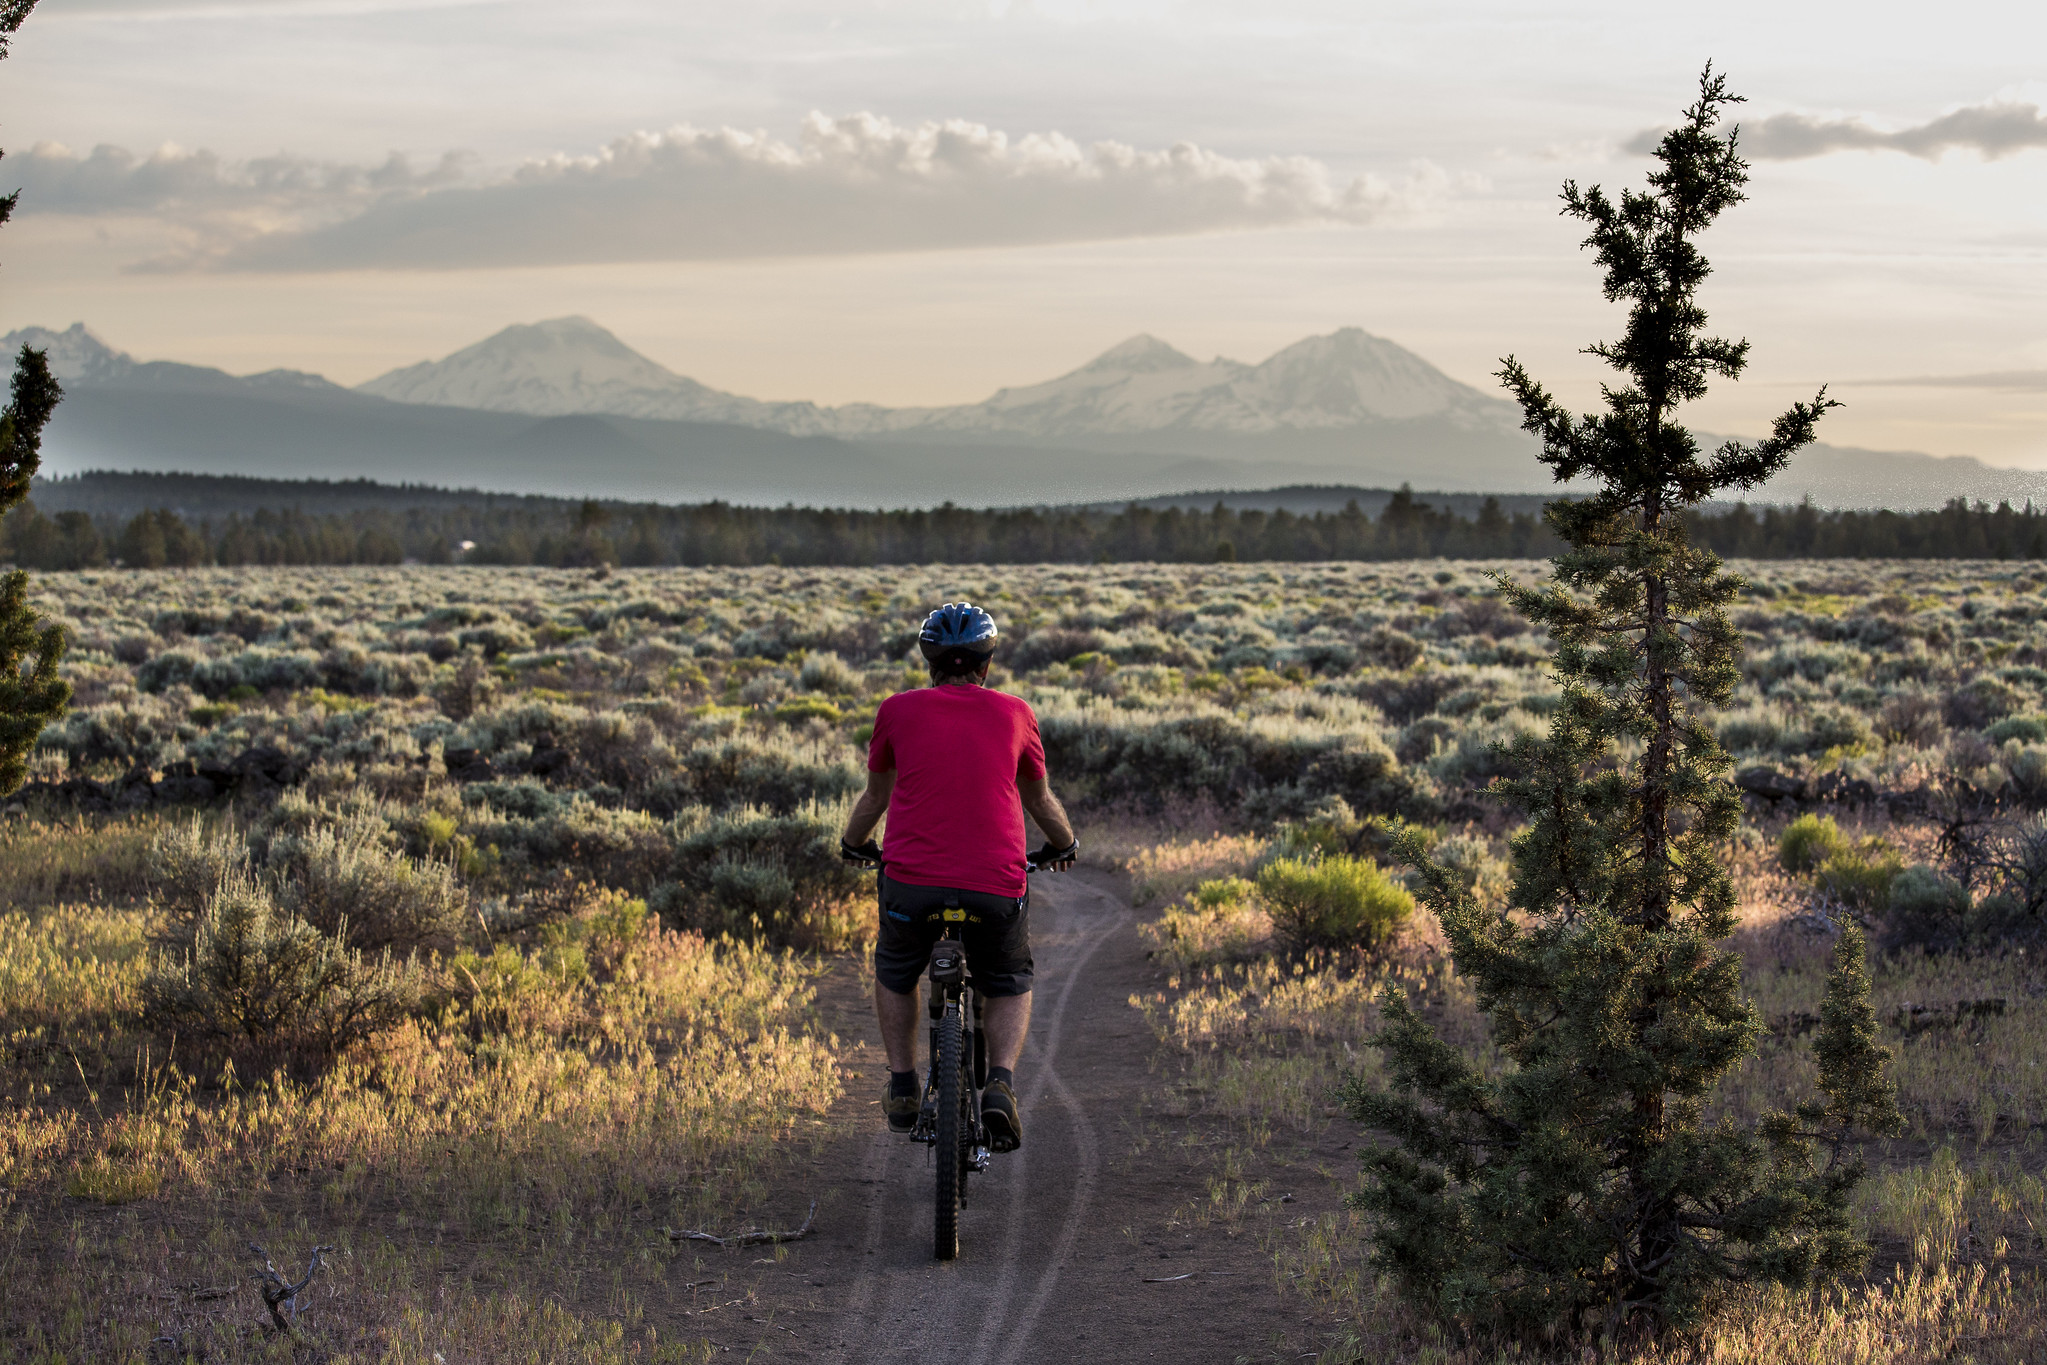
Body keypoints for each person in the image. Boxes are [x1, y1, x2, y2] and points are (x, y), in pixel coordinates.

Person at [840, 601, 1077, 1153]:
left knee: (897, 970)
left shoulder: (896, 711)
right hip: (994, 887)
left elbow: (875, 795)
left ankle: (902, 1083)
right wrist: (1064, 845)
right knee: (1009, 979)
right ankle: (1000, 1085)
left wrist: (853, 844)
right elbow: (1038, 799)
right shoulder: (1016, 713)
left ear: (930, 663)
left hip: (911, 885)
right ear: (986, 664)